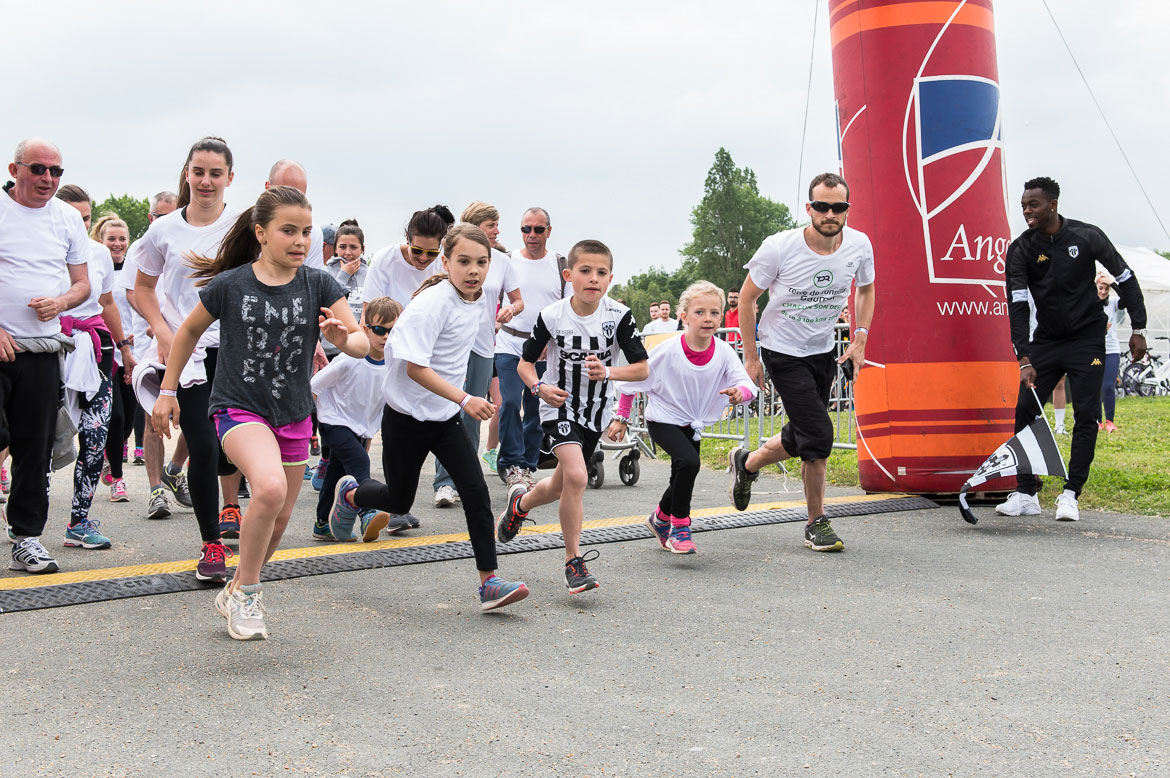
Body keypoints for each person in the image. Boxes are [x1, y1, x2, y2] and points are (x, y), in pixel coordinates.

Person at [153, 185, 366, 640]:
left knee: (279, 519)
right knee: (267, 489)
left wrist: (344, 338)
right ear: (261, 233)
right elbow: (187, 332)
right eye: (288, 230)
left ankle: (236, 587)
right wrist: (167, 390)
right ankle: (249, 593)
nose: (300, 241)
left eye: (306, 232)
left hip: (294, 412)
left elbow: (362, 341)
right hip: (237, 408)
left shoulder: (320, 284)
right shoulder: (231, 285)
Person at [330, 224, 530, 612]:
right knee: (397, 499)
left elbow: (460, 354)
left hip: (444, 420)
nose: (474, 270)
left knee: (476, 492)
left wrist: (478, 390)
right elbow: (414, 369)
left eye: (482, 262)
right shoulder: (432, 304)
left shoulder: (476, 300)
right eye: (464, 261)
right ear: (446, 261)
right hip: (405, 418)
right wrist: (465, 398)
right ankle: (351, 493)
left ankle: (489, 582)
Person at [727, 172, 875, 553]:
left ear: (847, 210)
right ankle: (816, 522)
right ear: (809, 208)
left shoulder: (859, 244)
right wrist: (751, 357)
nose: (830, 213)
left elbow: (867, 288)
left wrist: (860, 338)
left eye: (837, 207)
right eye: (822, 206)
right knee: (820, 437)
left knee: (806, 431)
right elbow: (747, 300)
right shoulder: (779, 248)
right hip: (782, 351)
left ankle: (746, 464)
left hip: (824, 350)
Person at [495, 239, 649, 592]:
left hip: (595, 411)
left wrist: (608, 373)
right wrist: (539, 389)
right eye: (585, 271)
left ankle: (519, 505)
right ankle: (573, 562)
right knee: (578, 478)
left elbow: (641, 369)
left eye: (601, 272)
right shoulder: (551, 316)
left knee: (559, 485)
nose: (593, 279)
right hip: (558, 405)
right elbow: (524, 364)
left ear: (610, 278)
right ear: (568, 276)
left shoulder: (618, 316)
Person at [998, 177, 1147, 522]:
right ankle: (1026, 492)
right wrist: (1023, 357)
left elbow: (1124, 276)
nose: (1026, 211)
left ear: (1052, 204)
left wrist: (1138, 327)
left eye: (1033, 205)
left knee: (1086, 414)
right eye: (1023, 205)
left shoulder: (1087, 236)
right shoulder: (1020, 249)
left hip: (1087, 340)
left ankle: (1070, 494)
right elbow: (1017, 304)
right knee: (1025, 410)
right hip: (1047, 341)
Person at [134, 136, 241, 581]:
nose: (206, 181)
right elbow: (141, 289)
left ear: (230, 179)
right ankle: (211, 545)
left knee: (231, 450)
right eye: (198, 171)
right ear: (187, 174)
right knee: (202, 444)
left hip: (236, 351)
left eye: (215, 173)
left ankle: (238, 510)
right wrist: (161, 330)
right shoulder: (162, 230)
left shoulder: (244, 225)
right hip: (190, 351)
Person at [608, 281, 754, 554]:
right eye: (700, 312)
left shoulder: (723, 351)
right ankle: (680, 528)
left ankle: (660, 519)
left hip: (692, 422)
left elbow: (746, 384)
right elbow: (633, 382)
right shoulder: (667, 349)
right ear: (683, 316)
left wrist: (739, 393)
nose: (708, 319)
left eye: (714, 312)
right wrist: (621, 418)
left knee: (683, 472)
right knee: (689, 462)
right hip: (663, 418)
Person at [1, 139, 92, 573]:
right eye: (38, 169)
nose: (48, 179)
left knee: (34, 448)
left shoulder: (68, 218)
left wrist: (61, 303)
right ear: (14, 169)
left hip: (40, 349)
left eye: (56, 172)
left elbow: (82, 285)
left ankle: (26, 538)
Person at [54, 186, 134, 550]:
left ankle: (79, 521)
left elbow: (106, 303)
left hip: (97, 348)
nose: (78, 223)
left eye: (85, 217)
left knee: (95, 436)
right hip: (50, 348)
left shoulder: (99, 253)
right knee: (41, 437)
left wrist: (125, 350)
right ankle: (27, 524)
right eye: (72, 215)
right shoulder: (40, 251)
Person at [432, 201, 524, 508]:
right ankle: (444, 483)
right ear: (472, 228)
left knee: (472, 414)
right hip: (450, 343)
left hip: (484, 345)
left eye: (497, 224)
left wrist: (510, 309)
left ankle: (464, 478)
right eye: (490, 225)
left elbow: (518, 301)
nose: (497, 230)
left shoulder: (501, 261)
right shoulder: (452, 258)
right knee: (447, 411)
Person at [120, 191, 193, 520]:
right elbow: (135, 292)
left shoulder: (187, 244)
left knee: (197, 419)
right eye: (160, 216)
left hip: (190, 344)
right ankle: (155, 492)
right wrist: (158, 326)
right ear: (151, 219)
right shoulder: (139, 249)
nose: (166, 221)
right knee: (153, 420)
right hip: (153, 346)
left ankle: (175, 468)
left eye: (172, 214)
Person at [310, 296, 401, 541]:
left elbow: (375, 406)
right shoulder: (349, 359)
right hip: (334, 421)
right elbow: (314, 387)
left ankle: (322, 524)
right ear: (365, 330)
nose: (386, 337)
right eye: (380, 330)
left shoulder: (392, 367)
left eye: (392, 331)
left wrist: (368, 435)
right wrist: (308, 425)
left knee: (336, 476)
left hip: (359, 429)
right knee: (360, 462)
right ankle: (367, 511)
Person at [494, 207, 566, 491]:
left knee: (536, 408)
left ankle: (526, 464)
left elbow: (566, 309)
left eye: (538, 229)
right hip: (510, 341)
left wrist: (551, 341)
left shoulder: (560, 264)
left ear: (549, 231)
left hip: (544, 347)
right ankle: (511, 462)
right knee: (510, 402)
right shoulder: (507, 261)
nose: (532, 235)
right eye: (526, 229)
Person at [91, 213, 138, 499]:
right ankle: (118, 479)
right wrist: (118, 338)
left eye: (122, 239)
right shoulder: (95, 270)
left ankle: (112, 452)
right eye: (112, 239)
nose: (117, 244)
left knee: (129, 419)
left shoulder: (133, 271)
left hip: (136, 354)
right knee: (116, 416)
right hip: (109, 350)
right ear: (101, 240)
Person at [361, 206, 453, 315]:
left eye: (432, 253)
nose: (423, 257)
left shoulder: (445, 265)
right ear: (407, 239)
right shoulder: (383, 260)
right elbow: (368, 315)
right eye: (417, 250)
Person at [264, 159, 324, 269]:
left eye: (299, 197)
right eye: (284, 194)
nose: (291, 202)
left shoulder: (313, 233)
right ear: (267, 187)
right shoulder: (242, 227)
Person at [1097, 272, 1126, 432]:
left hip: (1112, 349)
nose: (1103, 292)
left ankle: (1109, 422)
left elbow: (1127, 298)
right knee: (1094, 387)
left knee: (1108, 386)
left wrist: (1113, 283)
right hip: (1094, 349)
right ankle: (1097, 421)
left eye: (1106, 289)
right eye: (1101, 288)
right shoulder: (1089, 302)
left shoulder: (1113, 302)